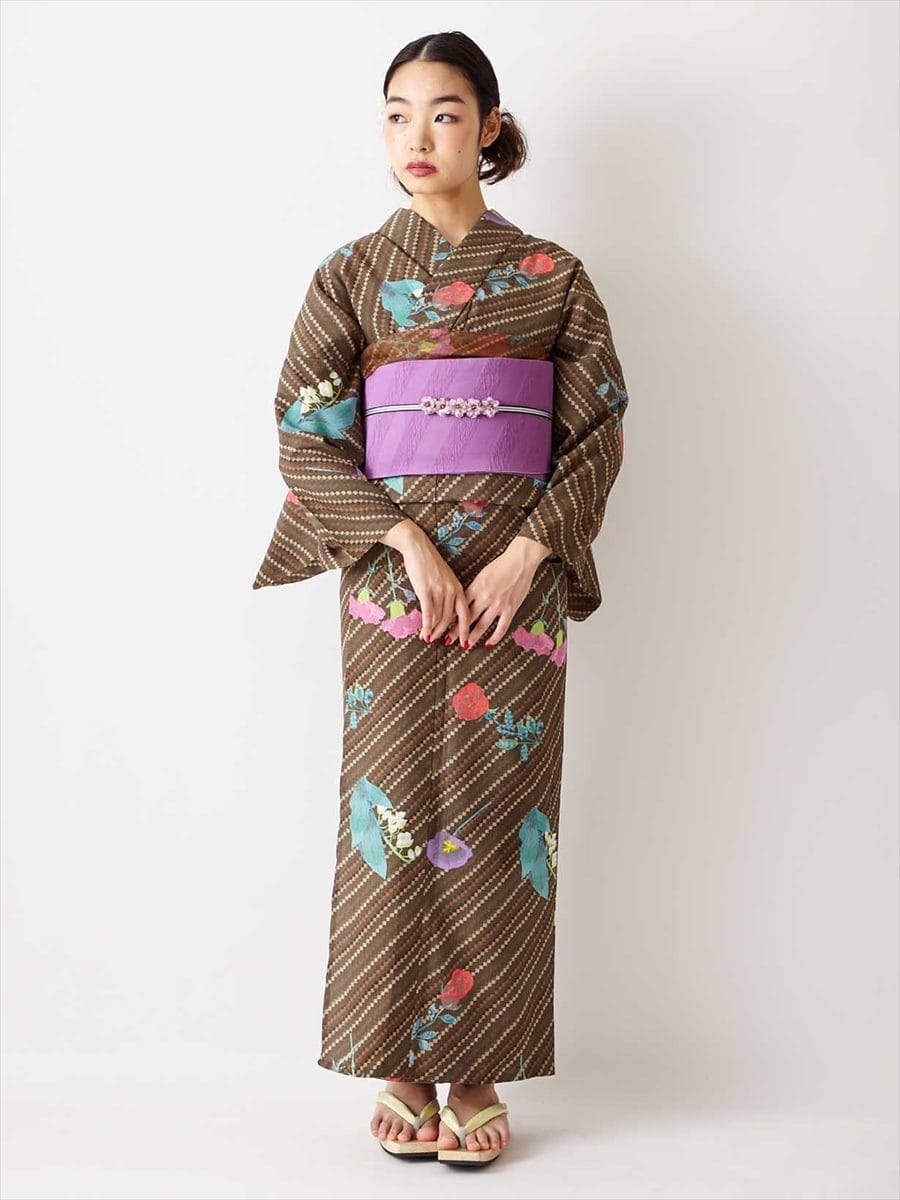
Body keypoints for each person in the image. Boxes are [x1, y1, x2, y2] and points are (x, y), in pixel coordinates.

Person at [251, 30, 629, 1169]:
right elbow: (306, 432)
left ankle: (476, 1070)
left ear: (491, 128)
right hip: (392, 586)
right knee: (391, 805)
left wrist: (531, 551)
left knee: (507, 808)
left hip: (519, 589)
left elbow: (599, 429)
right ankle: (401, 1065)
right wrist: (405, 537)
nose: (418, 136)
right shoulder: (352, 274)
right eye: (399, 114)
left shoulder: (553, 276)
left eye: (446, 113)